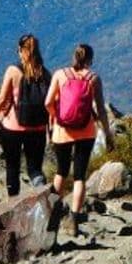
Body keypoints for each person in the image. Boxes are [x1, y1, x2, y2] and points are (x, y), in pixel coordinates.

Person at [45, 43, 113, 236]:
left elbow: (48, 102)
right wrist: (107, 134)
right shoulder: (94, 79)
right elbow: (101, 111)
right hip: (86, 131)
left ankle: (52, 216)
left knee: (61, 172)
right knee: (80, 175)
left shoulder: (60, 75)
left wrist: (57, 117)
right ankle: (74, 219)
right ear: (90, 59)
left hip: (62, 130)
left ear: (74, 56)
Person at [0, 34, 50, 197]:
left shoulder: (13, 71)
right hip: (38, 127)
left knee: (13, 166)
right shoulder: (46, 73)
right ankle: (42, 195)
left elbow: (2, 98)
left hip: (13, 127)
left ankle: (13, 203)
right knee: (35, 169)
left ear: (20, 50)